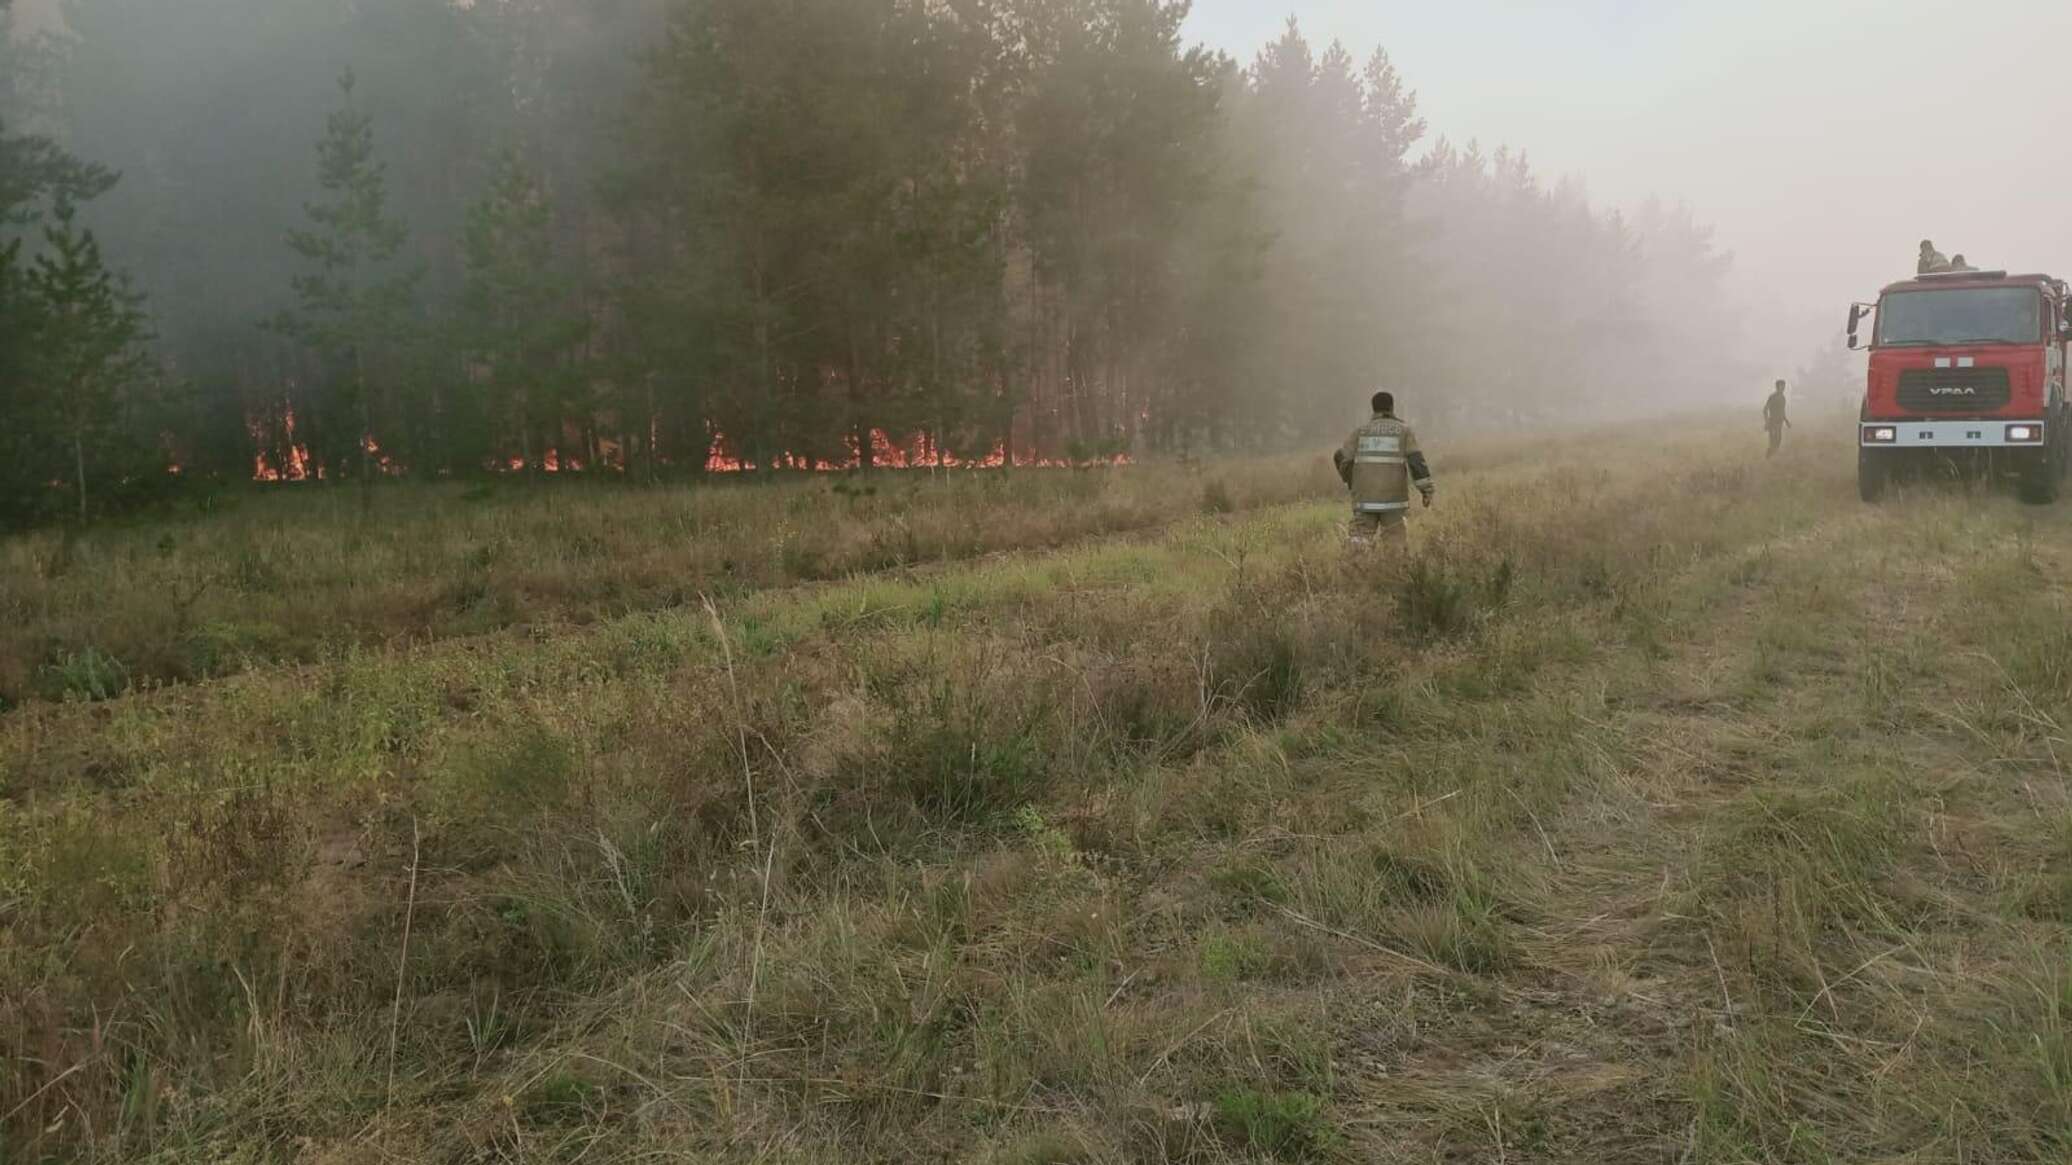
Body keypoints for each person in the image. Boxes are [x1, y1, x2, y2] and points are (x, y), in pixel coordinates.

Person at [1334, 390, 1435, 549]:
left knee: (1359, 542)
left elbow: (1340, 456)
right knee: (1394, 543)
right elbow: (1416, 462)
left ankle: (1355, 571)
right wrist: (1426, 491)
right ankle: (1390, 572)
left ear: (1373, 408)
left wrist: (1351, 482)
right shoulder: (1403, 431)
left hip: (1364, 499)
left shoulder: (1360, 432)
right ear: (1392, 407)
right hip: (1393, 500)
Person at [1763, 379, 1791, 457]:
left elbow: (1782, 411)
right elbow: (1765, 409)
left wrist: (1786, 421)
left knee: (1778, 441)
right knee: (1773, 441)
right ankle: (1767, 459)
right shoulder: (1772, 397)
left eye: (1784, 386)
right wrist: (1767, 421)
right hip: (1772, 422)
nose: (1783, 388)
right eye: (1781, 386)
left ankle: (1772, 459)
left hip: (1779, 423)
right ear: (1777, 387)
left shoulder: (1783, 398)